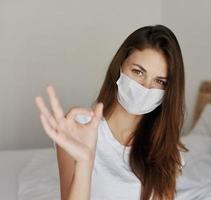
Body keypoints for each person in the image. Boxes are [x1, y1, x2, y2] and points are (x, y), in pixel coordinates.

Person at [35, 24, 187, 200]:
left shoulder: (167, 149)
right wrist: (85, 162)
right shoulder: (78, 126)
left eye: (159, 81)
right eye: (138, 72)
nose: (145, 87)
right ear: (120, 66)